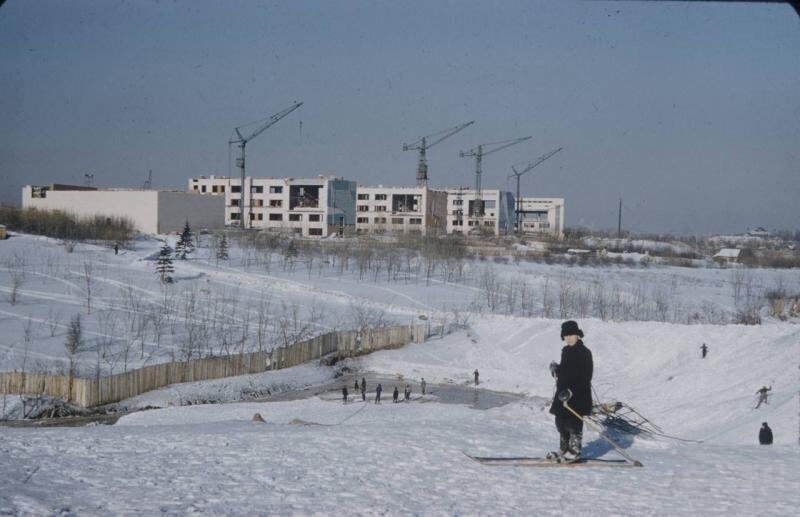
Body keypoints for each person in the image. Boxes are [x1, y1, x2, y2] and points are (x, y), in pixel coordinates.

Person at [549, 320, 593, 461]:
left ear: (577, 335)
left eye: (571, 335)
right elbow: (565, 370)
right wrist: (557, 369)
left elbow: (586, 377)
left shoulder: (585, 352)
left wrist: (571, 392)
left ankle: (574, 451)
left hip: (577, 395)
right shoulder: (566, 351)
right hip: (562, 394)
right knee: (560, 422)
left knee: (573, 423)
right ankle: (563, 450)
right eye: (565, 336)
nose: (568, 338)